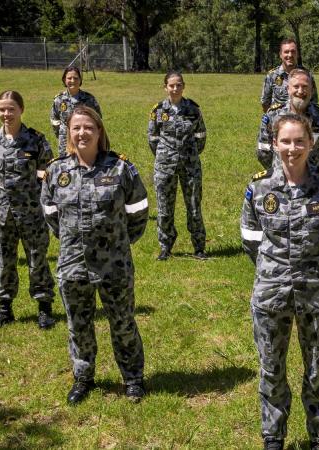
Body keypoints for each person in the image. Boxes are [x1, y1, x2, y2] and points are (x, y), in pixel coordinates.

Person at [240, 114, 319, 450]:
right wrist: (275, 271)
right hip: (272, 292)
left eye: (299, 141)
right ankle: (273, 437)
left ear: (310, 144)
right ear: (275, 144)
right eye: (285, 141)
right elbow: (251, 240)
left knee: (317, 370)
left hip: (318, 293)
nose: (292, 148)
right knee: (271, 367)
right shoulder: (258, 189)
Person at [41, 106, 149, 404]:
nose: (82, 133)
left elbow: (138, 211)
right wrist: (71, 241)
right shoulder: (56, 171)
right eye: (76, 128)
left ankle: (133, 378)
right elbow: (50, 213)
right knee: (78, 324)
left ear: (99, 131)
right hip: (73, 263)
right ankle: (83, 377)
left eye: (88, 127)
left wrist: (120, 242)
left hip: (114, 264)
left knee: (123, 321)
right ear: (69, 133)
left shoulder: (120, 169)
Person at [0, 90, 56, 331]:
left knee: (37, 260)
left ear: (21, 110)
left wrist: (36, 199)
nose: (6, 114)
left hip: (31, 213)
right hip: (1, 214)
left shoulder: (36, 141)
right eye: (2, 109)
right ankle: (4, 310)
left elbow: (48, 175)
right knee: (5, 262)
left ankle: (44, 309)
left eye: (11, 109)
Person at [148, 71, 208, 261]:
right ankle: (165, 247)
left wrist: (189, 154)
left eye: (179, 85)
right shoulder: (158, 111)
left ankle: (199, 247)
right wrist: (166, 156)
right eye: (171, 85)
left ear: (183, 86)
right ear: (165, 87)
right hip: (165, 166)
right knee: (164, 208)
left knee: (194, 207)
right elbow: (153, 139)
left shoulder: (193, 109)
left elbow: (201, 136)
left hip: (190, 166)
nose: (175, 88)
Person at [257, 68, 319, 170]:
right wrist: (279, 172)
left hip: (315, 181)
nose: (300, 91)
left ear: (312, 90)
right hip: (281, 180)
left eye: (305, 87)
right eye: (296, 86)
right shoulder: (272, 116)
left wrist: (317, 173)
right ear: (288, 89)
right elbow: (263, 150)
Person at [50, 65, 102, 155]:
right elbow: (54, 120)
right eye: (69, 78)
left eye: (76, 78)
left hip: (84, 139)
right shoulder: (59, 99)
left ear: (80, 80)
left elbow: (98, 119)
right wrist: (61, 134)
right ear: (64, 80)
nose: (72, 81)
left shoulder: (89, 99)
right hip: (65, 141)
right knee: (65, 166)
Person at [260, 38, 319, 112]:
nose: (290, 55)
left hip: (302, 120)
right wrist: (272, 119)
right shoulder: (272, 75)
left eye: (293, 51)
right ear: (280, 55)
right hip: (279, 120)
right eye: (286, 52)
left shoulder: (307, 75)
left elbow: (314, 101)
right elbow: (265, 102)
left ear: (297, 54)